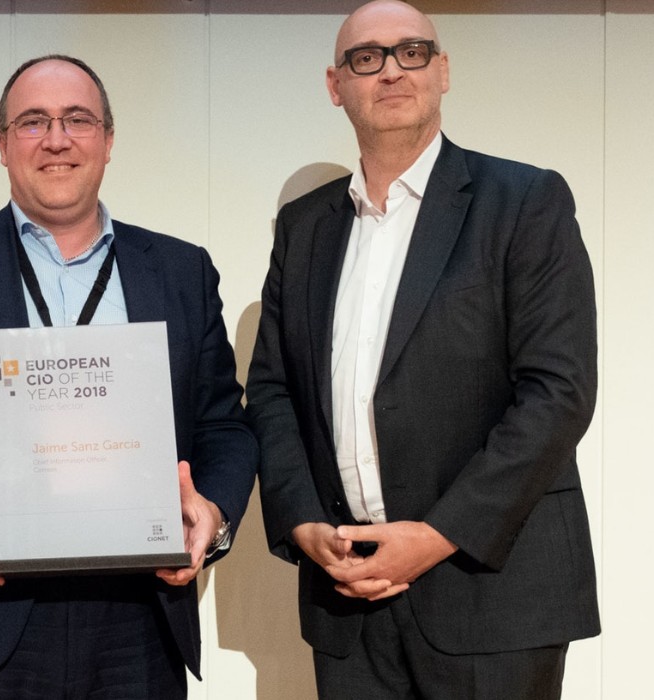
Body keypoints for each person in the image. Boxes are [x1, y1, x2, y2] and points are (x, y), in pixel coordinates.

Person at [0, 55, 257, 698]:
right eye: (33, 122)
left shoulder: (180, 270)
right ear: (2, 144)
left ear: (108, 139)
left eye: (77, 119)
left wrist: (211, 511)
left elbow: (223, 427)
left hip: (139, 619)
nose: (56, 139)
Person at [245, 1, 600, 697]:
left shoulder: (523, 200)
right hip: (347, 597)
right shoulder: (304, 226)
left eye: (412, 52)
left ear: (442, 71)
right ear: (335, 84)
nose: (391, 71)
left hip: (491, 593)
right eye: (366, 58)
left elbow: (558, 393)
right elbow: (273, 389)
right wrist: (304, 521)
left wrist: (436, 535)